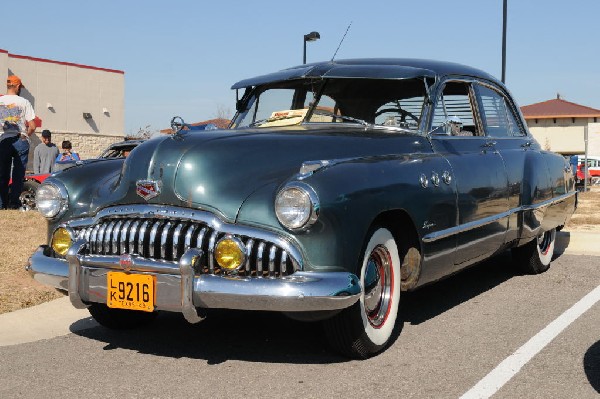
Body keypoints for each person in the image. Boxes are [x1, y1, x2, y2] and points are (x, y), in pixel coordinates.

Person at [0, 75, 36, 209]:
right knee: (18, 174)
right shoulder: (24, 102)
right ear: (18, 86)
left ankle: (2, 204)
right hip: (20, 139)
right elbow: (32, 125)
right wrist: (26, 135)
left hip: (4, 140)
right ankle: (14, 203)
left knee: (2, 173)